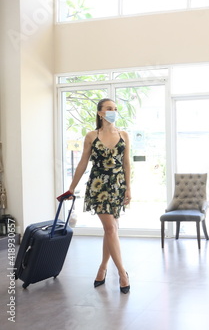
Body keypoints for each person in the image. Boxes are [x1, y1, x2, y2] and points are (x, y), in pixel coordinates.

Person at [66, 98, 131, 294]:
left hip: (118, 185)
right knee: (111, 228)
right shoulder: (91, 136)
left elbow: (127, 164)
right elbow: (83, 164)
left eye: (115, 109)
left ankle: (102, 269)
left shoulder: (124, 134)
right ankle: (122, 274)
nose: (113, 111)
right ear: (100, 113)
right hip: (99, 186)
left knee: (111, 230)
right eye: (109, 108)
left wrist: (128, 188)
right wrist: (71, 188)